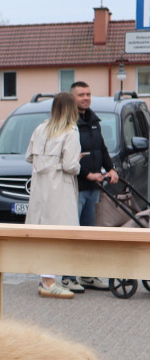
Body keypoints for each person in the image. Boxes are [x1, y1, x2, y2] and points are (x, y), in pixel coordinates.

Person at [60, 81, 119, 293]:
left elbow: (100, 148)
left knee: (90, 234)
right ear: (71, 98)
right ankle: (68, 277)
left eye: (88, 94)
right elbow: (67, 157)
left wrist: (111, 169)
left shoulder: (94, 121)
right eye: (81, 95)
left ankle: (88, 275)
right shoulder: (67, 123)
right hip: (75, 187)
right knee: (73, 235)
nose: (86, 98)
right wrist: (87, 174)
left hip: (95, 188)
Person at [24, 91, 81, 299]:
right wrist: (78, 163)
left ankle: (45, 277)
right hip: (60, 188)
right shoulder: (71, 131)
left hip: (40, 187)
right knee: (60, 234)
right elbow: (70, 165)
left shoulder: (41, 128)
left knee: (43, 232)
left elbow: (29, 156)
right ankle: (49, 280)